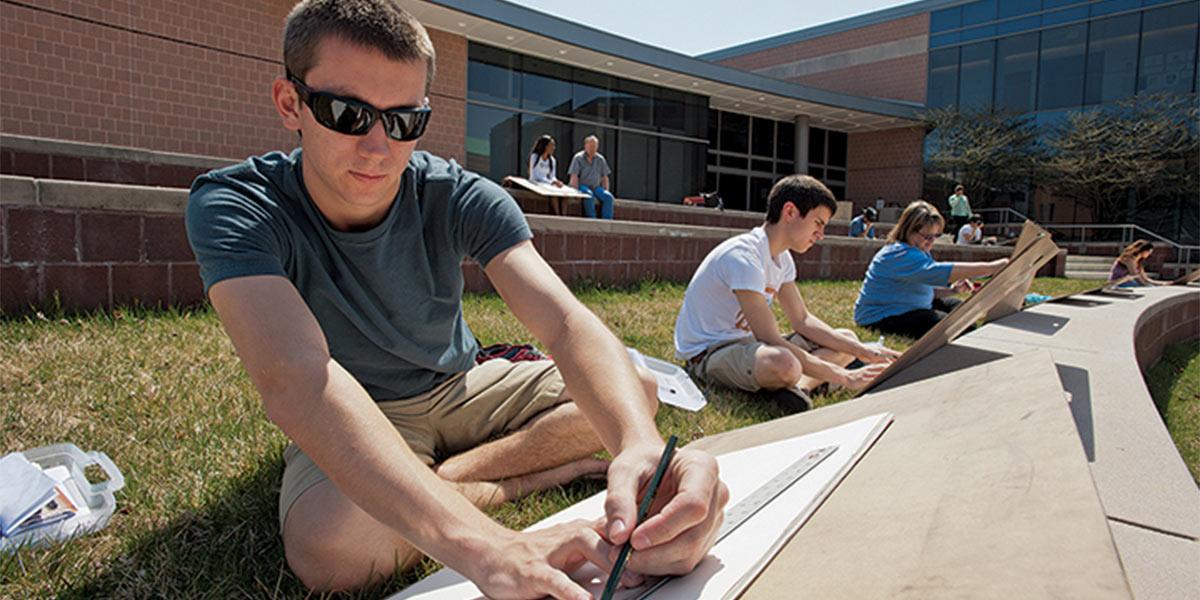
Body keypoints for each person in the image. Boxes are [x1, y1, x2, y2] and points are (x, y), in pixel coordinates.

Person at [185, 1, 726, 596]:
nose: (377, 146)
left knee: (636, 392)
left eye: (403, 121)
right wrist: (486, 543)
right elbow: (298, 379)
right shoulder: (236, 205)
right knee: (332, 550)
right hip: (358, 408)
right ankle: (517, 478)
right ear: (292, 104)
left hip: (463, 385)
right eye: (347, 113)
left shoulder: (457, 192)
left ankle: (436, 482)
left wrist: (640, 448)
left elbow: (565, 324)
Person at [674, 175, 900, 412]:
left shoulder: (782, 258)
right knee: (783, 362)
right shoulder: (743, 256)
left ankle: (799, 388)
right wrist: (846, 377)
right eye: (818, 223)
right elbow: (769, 338)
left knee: (847, 339)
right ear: (790, 212)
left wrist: (863, 351)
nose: (820, 234)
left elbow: (802, 320)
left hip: (748, 345)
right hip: (711, 354)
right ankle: (803, 382)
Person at [854, 201, 1009, 339]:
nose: (931, 242)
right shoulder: (898, 253)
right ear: (909, 230)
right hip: (881, 318)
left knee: (960, 311)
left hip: (909, 308)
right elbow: (940, 271)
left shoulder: (919, 250)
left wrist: (953, 290)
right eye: (927, 236)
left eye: (935, 236)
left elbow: (924, 291)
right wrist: (992, 267)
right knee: (951, 325)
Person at [568, 135, 615, 219]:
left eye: (595, 146)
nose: (593, 148)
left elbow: (605, 178)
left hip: (596, 187)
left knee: (608, 197)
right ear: (585, 145)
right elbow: (574, 176)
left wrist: (606, 190)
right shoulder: (578, 158)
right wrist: (575, 192)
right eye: (591, 146)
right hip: (582, 186)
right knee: (589, 195)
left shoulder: (600, 159)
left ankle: (607, 221)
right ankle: (592, 219)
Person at [527, 134, 565, 216]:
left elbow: (552, 176)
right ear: (545, 146)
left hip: (547, 183)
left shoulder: (552, 160)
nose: (553, 148)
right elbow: (534, 176)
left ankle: (564, 215)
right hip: (536, 183)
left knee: (564, 195)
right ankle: (557, 215)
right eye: (551, 145)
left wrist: (556, 181)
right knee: (554, 195)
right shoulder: (535, 157)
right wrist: (550, 182)